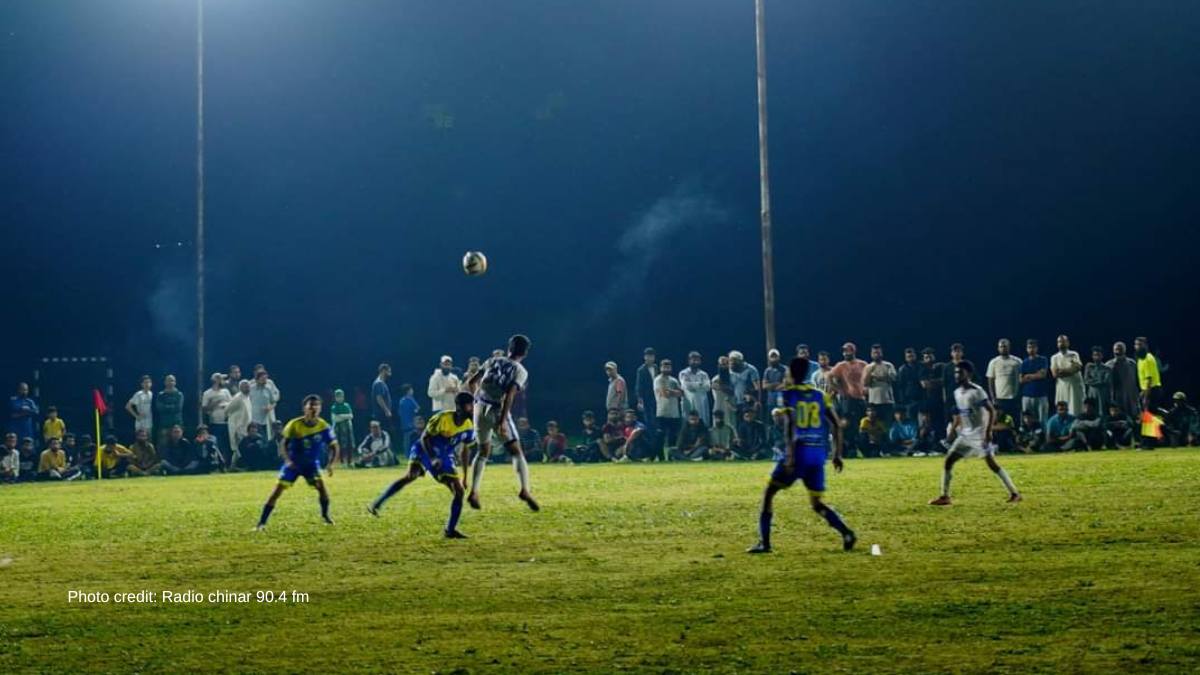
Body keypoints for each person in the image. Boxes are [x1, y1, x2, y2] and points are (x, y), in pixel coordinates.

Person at [748, 357, 856, 554]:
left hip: (799, 452)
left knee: (768, 494)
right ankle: (846, 533)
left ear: (791, 372)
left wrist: (789, 455)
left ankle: (765, 543)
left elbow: (790, 425)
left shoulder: (788, 394)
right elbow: (837, 424)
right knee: (816, 503)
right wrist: (837, 454)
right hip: (817, 455)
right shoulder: (820, 394)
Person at [368, 392, 476, 538]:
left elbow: (466, 449)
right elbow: (425, 437)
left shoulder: (469, 426)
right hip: (425, 449)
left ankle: (450, 530)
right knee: (411, 476)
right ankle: (377, 502)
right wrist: (432, 458)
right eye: (470, 405)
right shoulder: (442, 418)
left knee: (459, 491)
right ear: (460, 407)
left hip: (444, 455)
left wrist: (465, 476)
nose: (473, 409)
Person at [929, 360, 1021, 506]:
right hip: (965, 435)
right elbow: (962, 414)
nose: (957, 375)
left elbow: (991, 410)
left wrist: (988, 431)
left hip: (979, 434)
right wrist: (954, 431)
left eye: (960, 372)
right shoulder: (957, 392)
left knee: (992, 464)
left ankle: (1015, 493)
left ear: (969, 374)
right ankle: (945, 496)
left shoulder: (977, 391)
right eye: (956, 372)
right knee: (948, 461)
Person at [465, 334, 539, 511]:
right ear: (525, 353)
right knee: (516, 450)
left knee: (483, 451)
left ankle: (474, 491)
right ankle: (525, 490)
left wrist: (477, 398)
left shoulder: (492, 360)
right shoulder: (520, 370)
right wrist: (503, 420)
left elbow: (471, 382)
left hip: (479, 407)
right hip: (496, 409)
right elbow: (510, 395)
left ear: (509, 348)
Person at [255, 395, 340, 531]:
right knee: (276, 492)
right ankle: (261, 523)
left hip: (311, 465)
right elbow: (283, 444)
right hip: (294, 464)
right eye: (311, 405)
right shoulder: (294, 424)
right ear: (304, 408)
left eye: (317, 405)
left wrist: (331, 464)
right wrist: (288, 460)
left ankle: (325, 516)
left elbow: (334, 446)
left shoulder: (323, 426)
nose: (314, 408)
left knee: (322, 489)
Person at [829, 343, 868, 456]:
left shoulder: (863, 364)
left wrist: (867, 389)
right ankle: (850, 449)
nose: (846, 353)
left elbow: (869, 377)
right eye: (844, 351)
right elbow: (829, 377)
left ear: (853, 351)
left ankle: (863, 448)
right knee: (848, 425)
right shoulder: (840, 366)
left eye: (848, 351)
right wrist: (838, 389)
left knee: (861, 424)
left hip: (861, 398)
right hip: (848, 399)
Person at [986, 339, 1023, 423]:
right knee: (1000, 422)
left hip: (1014, 398)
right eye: (1001, 347)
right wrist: (993, 398)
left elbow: (1022, 379)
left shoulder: (1017, 361)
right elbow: (990, 381)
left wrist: (1020, 395)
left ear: (1009, 347)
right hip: (1000, 399)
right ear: (998, 348)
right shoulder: (993, 362)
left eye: (1005, 346)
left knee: (1015, 422)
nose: (1003, 348)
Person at [653, 359, 683, 460]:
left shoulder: (674, 380)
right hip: (662, 411)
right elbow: (664, 394)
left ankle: (671, 456)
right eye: (664, 367)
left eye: (668, 367)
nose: (666, 368)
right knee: (660, 436)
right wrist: (674, 392)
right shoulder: (658, 380)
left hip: (674, 412)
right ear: (660, 368)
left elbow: (681, 394)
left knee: (673, 436)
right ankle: (660, 457)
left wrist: (670, 391)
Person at [862, 344, 897, 427]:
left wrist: (878, 377)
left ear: (882, 353)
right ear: (871, 354)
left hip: (887, 401)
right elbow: (865, 383)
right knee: (876, 426)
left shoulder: (888, 365)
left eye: (878, 352)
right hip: (873, 402)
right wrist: (870, 372)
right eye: (874, 353)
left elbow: (893, 379)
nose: (876, 354)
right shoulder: (868, 367)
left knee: (888, 425)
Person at [1051, 335, 1085, 415]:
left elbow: (1077, 368)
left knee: (1076, 410)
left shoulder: (1074, 354)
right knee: (1063, 411)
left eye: (1063, 341)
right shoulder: (1054, 357)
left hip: (1074, 387)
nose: (1061, 343)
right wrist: (1070, 370)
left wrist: (1062, 371)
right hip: (1062, 388)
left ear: (1068, 343)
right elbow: (1055, 374)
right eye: (1059, 342)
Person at [1107, 342, 1141, 421]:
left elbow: (1137, 380)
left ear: (1124, 350)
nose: (1118, 351)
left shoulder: (1132, 363)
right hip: (1116, 397)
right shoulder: (1108, 365)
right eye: (1116, 349)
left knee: (1133, 418)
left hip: (1131, 396)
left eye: (1120, 349)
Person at [1019, 339, 1051, 424]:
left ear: (1037, 348)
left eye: (1033, 347)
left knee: (1042, 421)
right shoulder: (1024, 362)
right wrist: (1036, 374)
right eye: (1029, 347)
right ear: (1026, 349)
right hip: (1027, 395)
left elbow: (1042, 375)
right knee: (1027, 421)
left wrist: (1028, 376)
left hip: (1041, 395)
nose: (1031, 349)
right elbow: (1021, 380)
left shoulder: (1043, 359)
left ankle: (1043, 437)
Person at [202, 373, 232, 459]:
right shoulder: (207, 393)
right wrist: (214, 403)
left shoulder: (226, 392)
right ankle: (218, 461)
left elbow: (231, 403)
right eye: (219, 378)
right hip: (215, 422)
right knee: (218, 443)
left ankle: (228, 462)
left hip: (227, 421)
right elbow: (204, 408)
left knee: (228, 443)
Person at [678, 352, 712, 425]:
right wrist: (700, 384)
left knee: (702, 423)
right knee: (687, 424)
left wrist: (693, 384)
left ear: (700, 361)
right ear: (689, 360)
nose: (695, 362)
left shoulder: (704, 374)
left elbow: (708, 387)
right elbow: (687, 386)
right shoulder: (683, 373)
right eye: (693, 360)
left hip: (701, 403)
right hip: (688, 402)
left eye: (697, 360)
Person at [727, 351, 761, 417]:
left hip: (750, 403)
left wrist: (757, 401)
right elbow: (730, 388)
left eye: (734, 361)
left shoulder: (751, 369)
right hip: (737, 403)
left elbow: (757, 387)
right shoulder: (730, 372)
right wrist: (729, 403)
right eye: (730, 361)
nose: (731, 363)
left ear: (740, 361)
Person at [249, 369, 281, 440]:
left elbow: (274, 401)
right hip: (254, 420)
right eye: (263, 379)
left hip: (266, 420)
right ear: (257, 380)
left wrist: (270, 407)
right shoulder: (251, 388)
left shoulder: (268, 389)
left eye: (266, 379)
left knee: (266, 439)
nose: (265, 381)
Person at [154, 375, 185, 446]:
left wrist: (166, 406)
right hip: (164, 424)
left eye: (172, 380)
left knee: (178, 445)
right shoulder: (161, 395)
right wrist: (172, 406)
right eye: (168, 380)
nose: (170, 382)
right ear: (165, 382)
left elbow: (178, 408)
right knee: (163, 445)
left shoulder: (179, 394)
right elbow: (159, 408)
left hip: (177, 423)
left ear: (175, 382)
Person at [1083, 347, 1113, 420]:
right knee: (1091, 410)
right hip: (1092, 393)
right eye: (1095, 355)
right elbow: (1086, 380)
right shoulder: (1089, 366)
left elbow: (1105, 381)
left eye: (1098, 355)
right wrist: (1098, 381)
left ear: (1102, 356)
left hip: (1103, 393)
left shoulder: (1107, 368)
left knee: (1103, 411)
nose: (1096, 357)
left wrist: (1094, 381)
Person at [1134, 337, 1163, 412]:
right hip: (1148, 390)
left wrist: (1146, 398)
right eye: (1136, 344)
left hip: (1153, 390)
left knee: (1150, 413)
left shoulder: (1148, 358)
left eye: (1140, 344)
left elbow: (1149, 380)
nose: (1137, 346)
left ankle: (1167, 418)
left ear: (1146, 346)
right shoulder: (1141, 359)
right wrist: (1143, 392)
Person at [226, 379, 253, 456]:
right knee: (239, 447)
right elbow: (227, 409)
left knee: (240, 447)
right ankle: (237, 465)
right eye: (245, 387)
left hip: (246, 426)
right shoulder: (238, 398)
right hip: (238, 426)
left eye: (248, 386)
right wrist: (236, 424)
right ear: (240, 388)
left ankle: (233, 466)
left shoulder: (247, 397)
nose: (247, 388)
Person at [896, 347, 923, 422]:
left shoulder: (921, 366)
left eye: (912, 356)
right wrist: (903, 400)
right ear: (905, 358)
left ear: (915, 356)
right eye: (908, 356)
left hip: (922, 399)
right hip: (909, 400)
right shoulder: (902, 369)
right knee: (911, 421)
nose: (910, 358)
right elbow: (900, 386)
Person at [329, 389, 355, 466]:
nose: (339, 398)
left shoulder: (347, 405)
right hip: (338, 429)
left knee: (350, 444)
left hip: (348, 428)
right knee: (340, 445)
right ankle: (342, 461)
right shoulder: (334, 407)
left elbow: (351, 416)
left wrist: (340, 416)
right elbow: (335, 419)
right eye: (337, 397)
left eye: (341, 396)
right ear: (335, 397)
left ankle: (350, 461)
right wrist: (345, 417)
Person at [634, 347, 658, 432]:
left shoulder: (656, 367)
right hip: (646, 398)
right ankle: (650, 438)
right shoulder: (641, 370)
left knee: (656, 418)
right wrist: (640, 400)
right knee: (648, 419)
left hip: (657, 397)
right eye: (648, 356)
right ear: (645, 357)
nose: (650, 358)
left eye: (652, 356)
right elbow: (638, 386)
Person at [396, 384, 420, 453]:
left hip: (404, 423)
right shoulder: (410, 400)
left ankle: (406, 453)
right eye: (411, 389)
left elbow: (399, 412)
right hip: (412, 423)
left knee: (406, 439)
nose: (412, 391)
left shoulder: (401, 401)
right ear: (408, 391)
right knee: (412, 439)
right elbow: (417, 408)